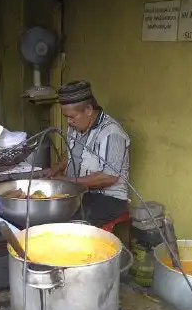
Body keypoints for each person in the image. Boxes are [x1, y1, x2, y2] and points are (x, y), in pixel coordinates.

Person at [45, 80, 130, 227]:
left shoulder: (112, 133)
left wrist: (66, 182)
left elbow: (109, 177)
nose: (69, 122)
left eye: (72, 117)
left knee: (70, 225)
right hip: (80, 192)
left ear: (89, 110)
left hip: (108, 199)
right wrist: (55, 169)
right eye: (66, 117)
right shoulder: (77, 126)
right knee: (47, 212)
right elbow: (72, 153)